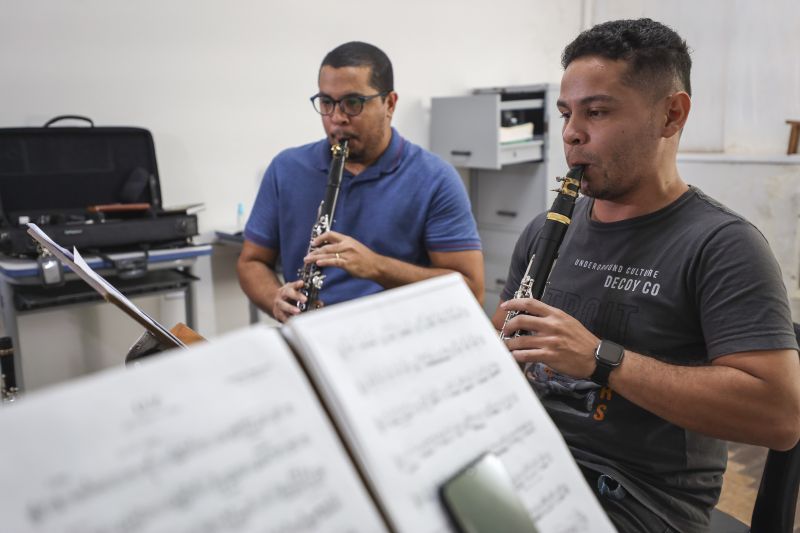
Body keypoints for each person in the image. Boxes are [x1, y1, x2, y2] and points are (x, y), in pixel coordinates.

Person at [493, 18, 800, 533]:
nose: (572, 132)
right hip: (531, 463)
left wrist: (598, 358)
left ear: (670, 115)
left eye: (597, 111)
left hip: (637, 501)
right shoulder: (545, 232)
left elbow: (780, 417)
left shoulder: (723, 246)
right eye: (567, 113)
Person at [238, 42, 484, 323]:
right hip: (311, 334)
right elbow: (252, 261)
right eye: (327, 103)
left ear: (389, 104)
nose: (336, 119)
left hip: (396, 341)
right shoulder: (286, 168)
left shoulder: (435, 178)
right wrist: (275, 299)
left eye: (353, 103)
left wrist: (376, 266)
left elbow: (471, 289)